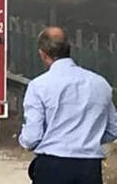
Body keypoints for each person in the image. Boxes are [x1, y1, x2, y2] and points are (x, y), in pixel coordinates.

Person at [19, 26, 117, 184]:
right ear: (69, 48)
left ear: (43, 54)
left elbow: (33, 137)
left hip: (52, 166)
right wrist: (89, 136)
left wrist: (24, 140)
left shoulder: (39, 86)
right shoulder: (100, 84)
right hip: (89, 168)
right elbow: (113, 129)